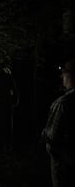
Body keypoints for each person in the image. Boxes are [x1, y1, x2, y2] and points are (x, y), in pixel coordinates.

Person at [43, 59, 75, 187]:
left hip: (65, 169)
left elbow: (52, 138)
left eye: (64, 73)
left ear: (72, 75)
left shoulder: (63, 103)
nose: (62, 76)